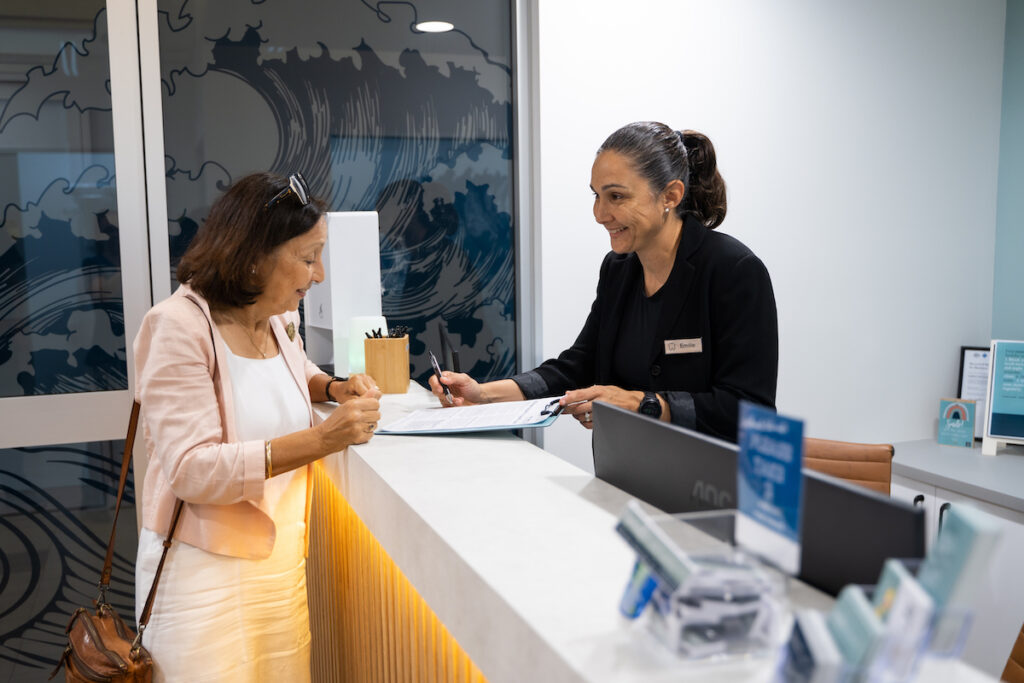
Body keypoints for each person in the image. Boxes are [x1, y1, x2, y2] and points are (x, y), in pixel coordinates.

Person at [132, 171, 381, 681]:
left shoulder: (273, 318)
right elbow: (190, 469)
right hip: (202, 576)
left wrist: (333, 388)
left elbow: (290, 371)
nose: (320, 275)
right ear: (251, 258)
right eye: (308, 258)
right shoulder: (179, 326)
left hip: (279, 567)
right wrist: (322, 440)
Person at [430, 121, 777, 442]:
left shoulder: (734, 271)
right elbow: (577, 366)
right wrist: (482, 393)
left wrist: (646, 404)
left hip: (705, 488)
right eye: (596, 195)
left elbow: (749, 411)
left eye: (617, 197)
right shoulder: (618, 269)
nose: (599, 214)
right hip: (624, 470)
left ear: (670, 195)